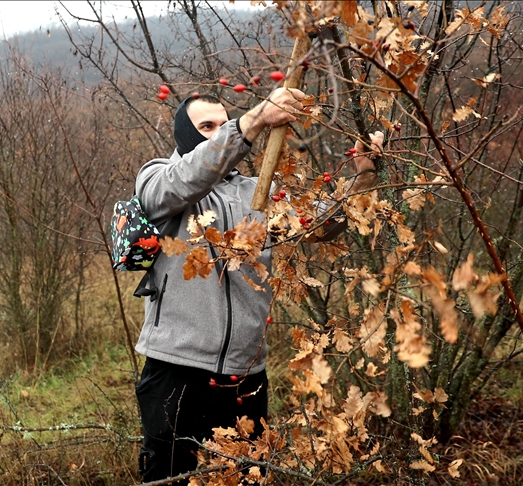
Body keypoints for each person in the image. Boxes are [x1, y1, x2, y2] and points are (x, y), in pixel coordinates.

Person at [133, 89, 383, 481]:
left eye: (222, 123)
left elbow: (323, 225)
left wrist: (364, 174)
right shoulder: (158, 176)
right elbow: (184, 181)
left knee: (247, 476)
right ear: (185, 134)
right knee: (170, 477)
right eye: (206, 127)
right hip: (176, 371)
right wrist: (252, 122)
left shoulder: (257, 190)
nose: (217, 133)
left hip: (245, 375)